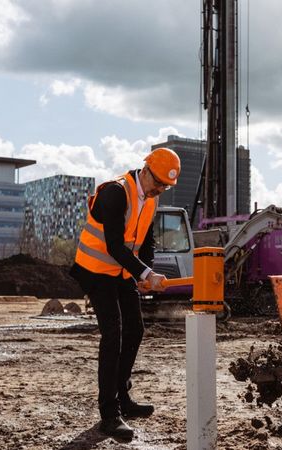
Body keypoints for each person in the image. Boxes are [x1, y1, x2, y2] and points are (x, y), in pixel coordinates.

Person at [69, 148, 180, 439]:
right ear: (145, 170)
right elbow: (115, 246)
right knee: (113, 333)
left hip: (120, 273)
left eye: (165, 187)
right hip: (95, 271)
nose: (160, 189)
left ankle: (123, 397)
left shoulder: (151, 201)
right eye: (158, 183)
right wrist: (145, 274)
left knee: (136, 330)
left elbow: (145, 245)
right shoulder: (116, 192)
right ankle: (109, 414)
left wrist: (147, 272)